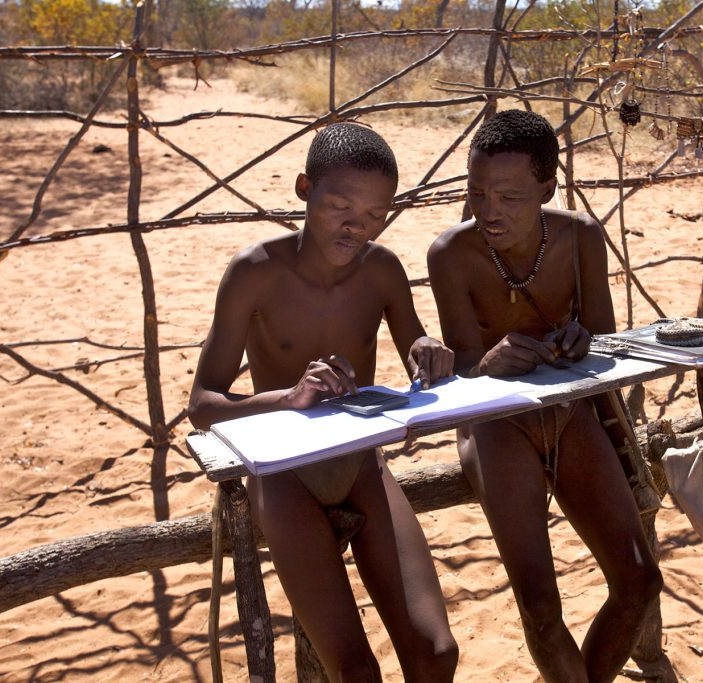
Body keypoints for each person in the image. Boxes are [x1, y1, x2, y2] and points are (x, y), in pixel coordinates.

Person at [188, 122, 459, 682]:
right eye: (338, 205)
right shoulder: (255, 273)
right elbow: (203, 404)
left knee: (435, 654)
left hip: (360, 460)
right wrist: (288, 398)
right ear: (303, 189)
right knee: (356, 672)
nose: (355, 226)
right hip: (284, 474)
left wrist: (427, 353)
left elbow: (416, 345)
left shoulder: (382, 271)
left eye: (374, 215)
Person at [427, 109, 662, 682]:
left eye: (509, 196)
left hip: (570, 413)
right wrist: (487, 363)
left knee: (638, 580)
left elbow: (607, 341)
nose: (488, 210)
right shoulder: (450, 255)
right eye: (477, 192)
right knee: (539, 608)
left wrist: (581, 341)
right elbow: (459, 368)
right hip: (494, 423)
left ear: (547, 188)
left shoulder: (580, 237)